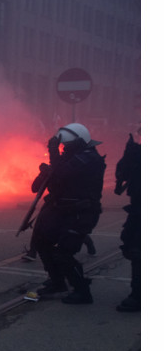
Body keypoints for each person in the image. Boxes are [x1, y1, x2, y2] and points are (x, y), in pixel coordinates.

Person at [31, 123, 106, 304]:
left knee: (64, 253)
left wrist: (53, 153)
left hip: (81, 212)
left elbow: (63, 173)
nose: (63, 149)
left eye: (66, 145)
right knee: (43, 243)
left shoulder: (89, 158)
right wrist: (45, 173)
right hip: (61, 210)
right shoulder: (69, 158)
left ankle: (82, 291)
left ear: (78, 142)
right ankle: (58, 283)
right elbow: (40, 185)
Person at [114, 130, 140, 312]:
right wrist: (129, 154)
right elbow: (122, 173)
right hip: (138, 208)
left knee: (139, 252)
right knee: (133, 248)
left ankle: (138, 296)